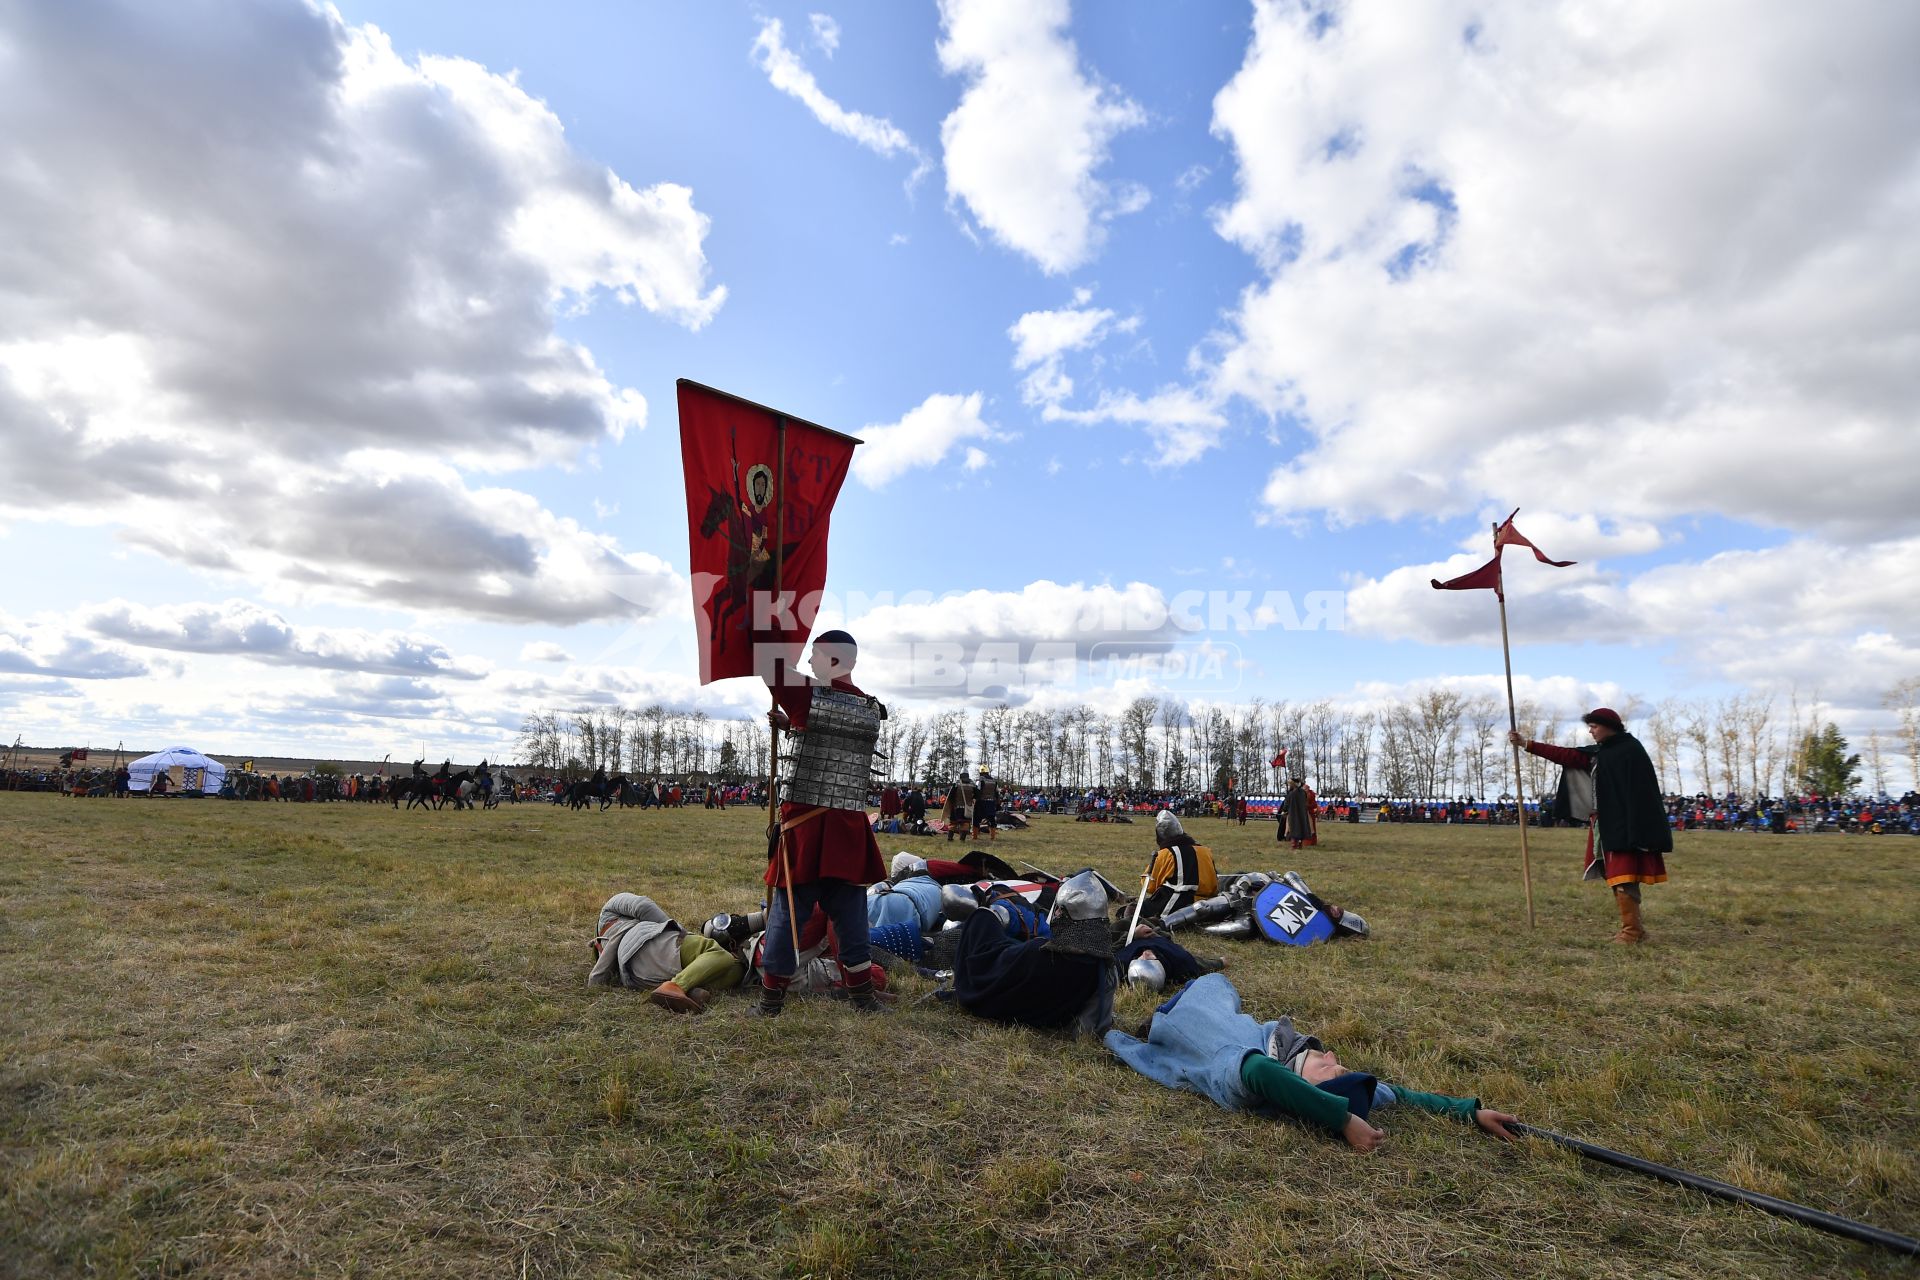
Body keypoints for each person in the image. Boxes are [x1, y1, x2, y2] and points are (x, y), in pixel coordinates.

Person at [1106, 974, 1518, 1152]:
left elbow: (1261, 1072)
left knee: (1196, 986)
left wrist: (1342, 1120)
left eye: (1333, 1071)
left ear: (1308, 1091)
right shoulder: (1282, 1051)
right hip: (1226, 1005)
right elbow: (1402, 1095)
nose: (1335, 1057)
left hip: (1184, 1018)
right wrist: (1469, 1111)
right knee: (1215, 983)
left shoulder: (1241, 1071)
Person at [756, 629, 889, 1015]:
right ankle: (863, 998)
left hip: (807, 831)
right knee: (851, 916)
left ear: (833, 660)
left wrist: (770, 601)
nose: (809, 663)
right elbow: (832, 746)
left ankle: (770, 1003)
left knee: (787, 913)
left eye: (815, 656)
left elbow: (766, 661)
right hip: (847, 831)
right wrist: (793, 726)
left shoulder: (806, 695)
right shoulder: (869, 708)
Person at [1510, 707, 1670, 944]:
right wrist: (1526, 744)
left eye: (1595, 726)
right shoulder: (1601, 753)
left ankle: (1632, 932)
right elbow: (1566, 756)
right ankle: (1634, 929)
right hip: (1607, 824)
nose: (1591, 731)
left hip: (1628, 825)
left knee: (1624, 875)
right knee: (1616, 875)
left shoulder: (1629, 751)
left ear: (1609, 726)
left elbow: (1638, 794)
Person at [588, 893, 746, 1013]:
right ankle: (674, 986)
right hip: (648, 944)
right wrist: (683, 933)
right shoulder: (608, 910)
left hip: (641, 979)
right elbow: (643, 906)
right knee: (718, 954)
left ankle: (687, 990)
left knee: (736, 968)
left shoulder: (609, 954)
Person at [944, 774, 974, 843]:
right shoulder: (972, 785)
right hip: (967, 808)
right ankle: (962, 839)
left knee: (953, 823)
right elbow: (977, 795)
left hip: (956, 808)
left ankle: (950, 838)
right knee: (965, 823)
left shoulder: (956, 784)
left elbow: (950, 795)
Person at [973, 767, 1000, 841]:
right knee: (992, 820)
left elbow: (977, 791)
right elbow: (997, 793)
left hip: (981, 803)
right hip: (991, 803)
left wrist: (974, 798)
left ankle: (975, 836)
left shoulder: (980, 780)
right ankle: (992, 837)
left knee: (976, 819)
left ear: (981, 772)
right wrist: (997, 804)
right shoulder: (994, 781)